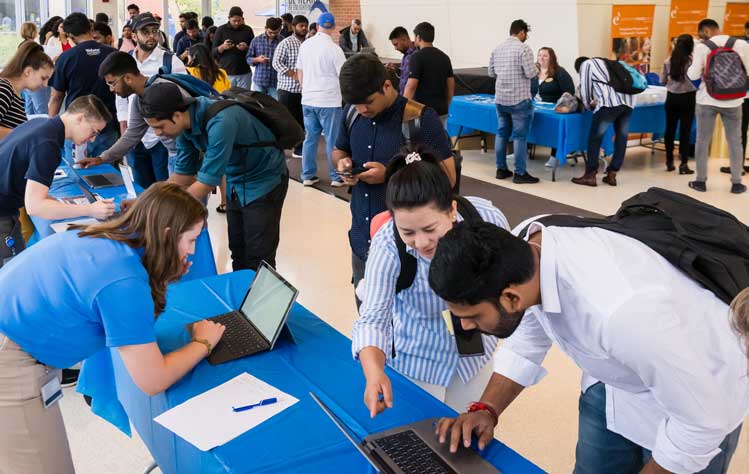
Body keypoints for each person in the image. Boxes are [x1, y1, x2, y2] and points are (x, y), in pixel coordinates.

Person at [428, 219, 747, 474]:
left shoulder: (620, 313)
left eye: (471, 316)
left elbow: (699, 425)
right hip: (614, 384)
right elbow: (528, 335)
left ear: (510, 297)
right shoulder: (523, 249)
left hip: (704, 395)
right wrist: (486, 408)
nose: (465, 326)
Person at [0, 182, 226, 474]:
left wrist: (165, 272)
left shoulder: (112, 237)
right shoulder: (124, 280)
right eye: (191, 240)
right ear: (167, 235)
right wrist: (202, 343)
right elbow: (152, 379)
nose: (193, 252)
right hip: (11, 358)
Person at [353, 148, 506, 416]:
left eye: (430, 229)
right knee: (421, 441)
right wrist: (374, 371)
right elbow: (372, 319)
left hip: (475, 357)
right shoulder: (388, 245)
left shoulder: (485, 220)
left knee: (469, 435)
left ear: (452, 210)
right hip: (419, 360)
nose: (421, 242)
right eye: (408, 232)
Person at [333, 54, 456, 303]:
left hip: (409, 245)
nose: (362, 110)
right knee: (368, 316)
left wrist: (390, 174)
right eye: (355, 104)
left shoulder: (420, 119)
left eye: (367, 102)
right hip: (362, 239)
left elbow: (447, 179)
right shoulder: (353, 114)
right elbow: (339, 149)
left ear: (387, 86)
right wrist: (342, 163)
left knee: (408, 324)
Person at [141, 82, 289, 271]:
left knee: (259, 255)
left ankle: (260, 299)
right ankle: (241, 296)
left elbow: (204, 184)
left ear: (176, 115)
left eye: (159, 126)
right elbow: (182, 174)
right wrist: (145, 203)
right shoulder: (185, 126)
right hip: (236, 181)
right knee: (237, 248)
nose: (157, 133)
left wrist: (158, 211)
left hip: (264, 181)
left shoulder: (221, 121)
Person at [0, 95, 116, 268]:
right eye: (93, 132)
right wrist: (90, 209)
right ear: (80, 118)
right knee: (11, 272)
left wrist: (59, 204)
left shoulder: (42, 124)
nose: (92, 140)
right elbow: (35, 206)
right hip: (3, 211)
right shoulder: (48, 144)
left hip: (7, 206)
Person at [81, 13, 186, 187]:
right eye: (146, 31)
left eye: (112, 83)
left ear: (129, 78)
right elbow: (131, 135)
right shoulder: (138, 98)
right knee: (150, 191)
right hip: (159, 148)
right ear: (135, 35)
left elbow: (190, 125)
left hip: (181, 152)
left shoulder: (169, 67)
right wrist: (101, 159)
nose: (111, 90)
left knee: (180, 203)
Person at [687, 19, 748, 194]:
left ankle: (700, 181)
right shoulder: (741, 44)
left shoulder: (702, 47)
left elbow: (692, 74)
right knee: (735, 141)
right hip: (735, 100)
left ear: (705, 31)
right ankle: (736, 183)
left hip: (707, 100)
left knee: (702, 140)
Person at [48, 13, 119, 160]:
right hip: (108, 124)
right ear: (90, 28)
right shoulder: (113, 54)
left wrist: (50, 129)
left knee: (76, 175)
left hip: (77, 127)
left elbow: (56, 97)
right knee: (107, 176)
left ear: (70, 35)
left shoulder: (66, 57)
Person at [296, 12, 346, 187]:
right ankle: (335, 177)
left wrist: (306, 89)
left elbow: (299, 71)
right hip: (329, 101)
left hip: (308, 99)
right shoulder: (335, 49)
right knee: (332, 140)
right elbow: (343, 76)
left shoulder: (305, 46)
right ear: (332, 27)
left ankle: (307, 176)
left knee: (310, 138)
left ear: (317, 26)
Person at [488, 20, 539, 184]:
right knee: (519, 137)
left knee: (502, 133)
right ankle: (520, 173)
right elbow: (531, 73)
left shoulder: (497, 48)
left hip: (501, 99)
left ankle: (501, 169)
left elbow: (491, 72)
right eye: (526, 34)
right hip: (519, 99)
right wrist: (537, 66)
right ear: (522, 32)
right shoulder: (523, 48)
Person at [572, 56, 635, 187]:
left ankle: (590, 175)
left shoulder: (586, 65)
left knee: (595, 139)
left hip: (609, 105)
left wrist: (589, 106)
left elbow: (585, 90)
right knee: (621, 138)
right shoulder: (607, 63)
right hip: (628, 104)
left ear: (579, 68)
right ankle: (612, 174)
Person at [186, 43, 231, 214]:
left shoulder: (190, 73)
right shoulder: (222, 73)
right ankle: (225, 201)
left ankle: (197, 201)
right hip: (221, 121)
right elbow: (228, 95)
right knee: (222, 165)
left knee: (199, 166)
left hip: (199, 123)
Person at [531, 46, 575, 168]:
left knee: (555, 130)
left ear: (552, 58)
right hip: (535, 107)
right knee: (525, 124)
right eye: (540, 55)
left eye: (545, 56)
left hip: (553, 110)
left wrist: (560, 105)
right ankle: (521, 151)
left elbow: (569, 91)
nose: (541, 58)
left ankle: (554, 156)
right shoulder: (533, 72)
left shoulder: (559, 72)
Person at [272, 14, 308, 158]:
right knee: (285, 121)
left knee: (302, 121)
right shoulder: (286, 43)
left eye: (306, 25)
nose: (304, 28)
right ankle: (279, 149)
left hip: (304, 90)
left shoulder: (309, 43)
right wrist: (292, 74)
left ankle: (299, 149)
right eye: (301, 25)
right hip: (287, 89)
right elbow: (276, 63)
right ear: (294, 27)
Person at [403, 22, 454, 121]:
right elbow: (450, 86)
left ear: (418, 37)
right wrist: (448, 107)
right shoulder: (445, 57)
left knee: (422, 136)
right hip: (441, 110)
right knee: (439, 136)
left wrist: (403, 108)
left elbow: (411, 86)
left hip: (422, 111)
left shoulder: (416, 57)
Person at [1, 42, 53, 140]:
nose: (46, 85)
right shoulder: (4, 89)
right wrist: (26, 134)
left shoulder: (16, 94)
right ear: (28, 71)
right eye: (43, 78)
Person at [660, 34, 696, 175]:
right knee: (685, 131)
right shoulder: (692, 61)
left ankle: (669, 161)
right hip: (688, 98)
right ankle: (684, 164)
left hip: (672, 98)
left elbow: (662, 80)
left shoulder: (669, 60)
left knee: (669, 129)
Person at [213, 7, 255, 89]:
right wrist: (223, 47)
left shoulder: (248, 30)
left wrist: (246, 48)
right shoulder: (221, 30)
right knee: (227, 99)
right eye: (234, 21)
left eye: (239, 21)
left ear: (242, 19)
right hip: (226, 72)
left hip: (244, 72)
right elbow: (213, 52)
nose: (236, 23)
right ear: (229, 18)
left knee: (245, 99)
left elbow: (254, 50)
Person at [247, 17, 282, 98]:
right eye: (270, 32)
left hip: (276, 81)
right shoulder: (256, 40)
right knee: (257, 105)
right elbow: (248, 58)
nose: (273, 35)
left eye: (275, 33)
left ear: (279, 29)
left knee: (276, 106)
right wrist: (257, 59)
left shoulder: (282, 41)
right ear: (265, 28)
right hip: (260, 80)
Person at [387, 26, 416, 94]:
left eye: (396, 44)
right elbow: (407, 75)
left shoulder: (416, 56)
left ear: (404, 39)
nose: (395, 48)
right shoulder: (406, 55)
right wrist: (397, 69)